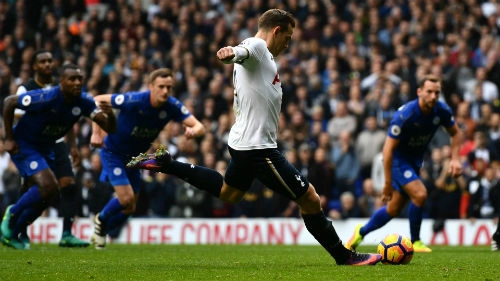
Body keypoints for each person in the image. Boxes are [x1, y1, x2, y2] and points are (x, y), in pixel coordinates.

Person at [127, 9, 381, 265]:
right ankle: (344, 256)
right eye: (288, 37)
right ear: (277, 31)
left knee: (230, 193)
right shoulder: (258, 46)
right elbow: (243, 50)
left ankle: (168, 165)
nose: (288, 43)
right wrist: (230, 52)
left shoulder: (264, 58)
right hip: (258, 148)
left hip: (242, 142)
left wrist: (235, 54)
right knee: (310, 197)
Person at [1, 63, 117, 249]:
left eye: (80, 79)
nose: (77, 82)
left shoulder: (83, 102)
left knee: (50, 193)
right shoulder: (46, 97)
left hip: (47, 147)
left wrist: (110, 115)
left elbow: (110, 127)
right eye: (72, 79)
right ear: (61, 82)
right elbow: (9, 102)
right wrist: (8, 138)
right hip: (25, 145)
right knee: (48, 185)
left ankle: (16, 231)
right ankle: (12, 213)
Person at [89, 67, 205, 249]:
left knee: (129, 208)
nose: (166, 91)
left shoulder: (172, 106)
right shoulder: (134, 100)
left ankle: (102, 223)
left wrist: (193, 130)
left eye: (169, 87)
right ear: (151, 86)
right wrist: (97, 132)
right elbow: (97, 100)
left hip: (136, 159)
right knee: (126, 199)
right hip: (113, 153)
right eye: (161, 87)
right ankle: (101, 220)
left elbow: (199, 126)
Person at [345, 74, 463, 253]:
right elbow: (387, 150)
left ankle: (360, 233)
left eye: (437, 93)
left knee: (392, 210)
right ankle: (415, 241)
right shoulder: (405, 115)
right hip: (398, 162)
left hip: (415, 162)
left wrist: (455, 159)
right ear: (419, 92)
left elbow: (456, 133)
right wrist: (386, 183)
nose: (433, 96)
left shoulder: (442, 110)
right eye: (429, 92)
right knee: (420, 194)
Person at [14, 49, 90, 248]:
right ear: (35, 66)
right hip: (34, 144)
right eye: (43, 61)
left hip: (57, 143)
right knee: (35, 189)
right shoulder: (25, 89)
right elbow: (18, 116)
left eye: (50, 60)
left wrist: (73, 146)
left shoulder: (61, 88)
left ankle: (66, 233)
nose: (48, 64)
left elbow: (68, 118)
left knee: (69, 185)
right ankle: (18, 228)